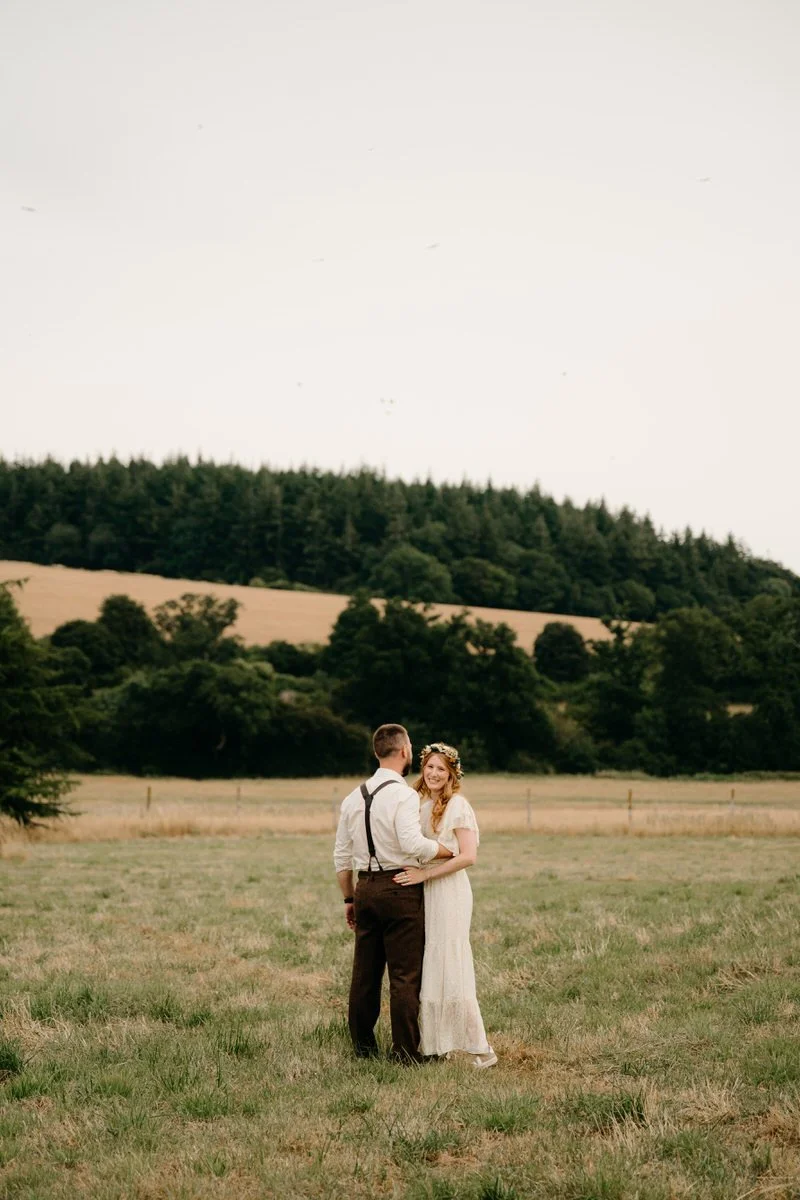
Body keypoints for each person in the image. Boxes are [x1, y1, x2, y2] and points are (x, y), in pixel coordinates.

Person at [333, 723, 454, 1063]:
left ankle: (363, 1048)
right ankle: (405, 1053)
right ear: (404, 752)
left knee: (365, 974)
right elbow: (412, 844)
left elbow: (341, 857)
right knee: (404, 975)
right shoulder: (403, 795)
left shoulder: (352, 797)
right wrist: (447, 851)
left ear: (376, 752)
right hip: (400, 886)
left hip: (365, 887)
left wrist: (349, 898)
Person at [393, 742, 497, 1068]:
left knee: (451, 963)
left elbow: (468, 856)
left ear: (452, 773)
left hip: (450, 891)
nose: (434, 774)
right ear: (422, 769)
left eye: (441, 769)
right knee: (432, 963)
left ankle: (481, 1050)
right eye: (429, 767)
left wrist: (427, 875)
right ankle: (437, 1043)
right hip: (428, 892)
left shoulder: (459, 806)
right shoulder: (421, 805)